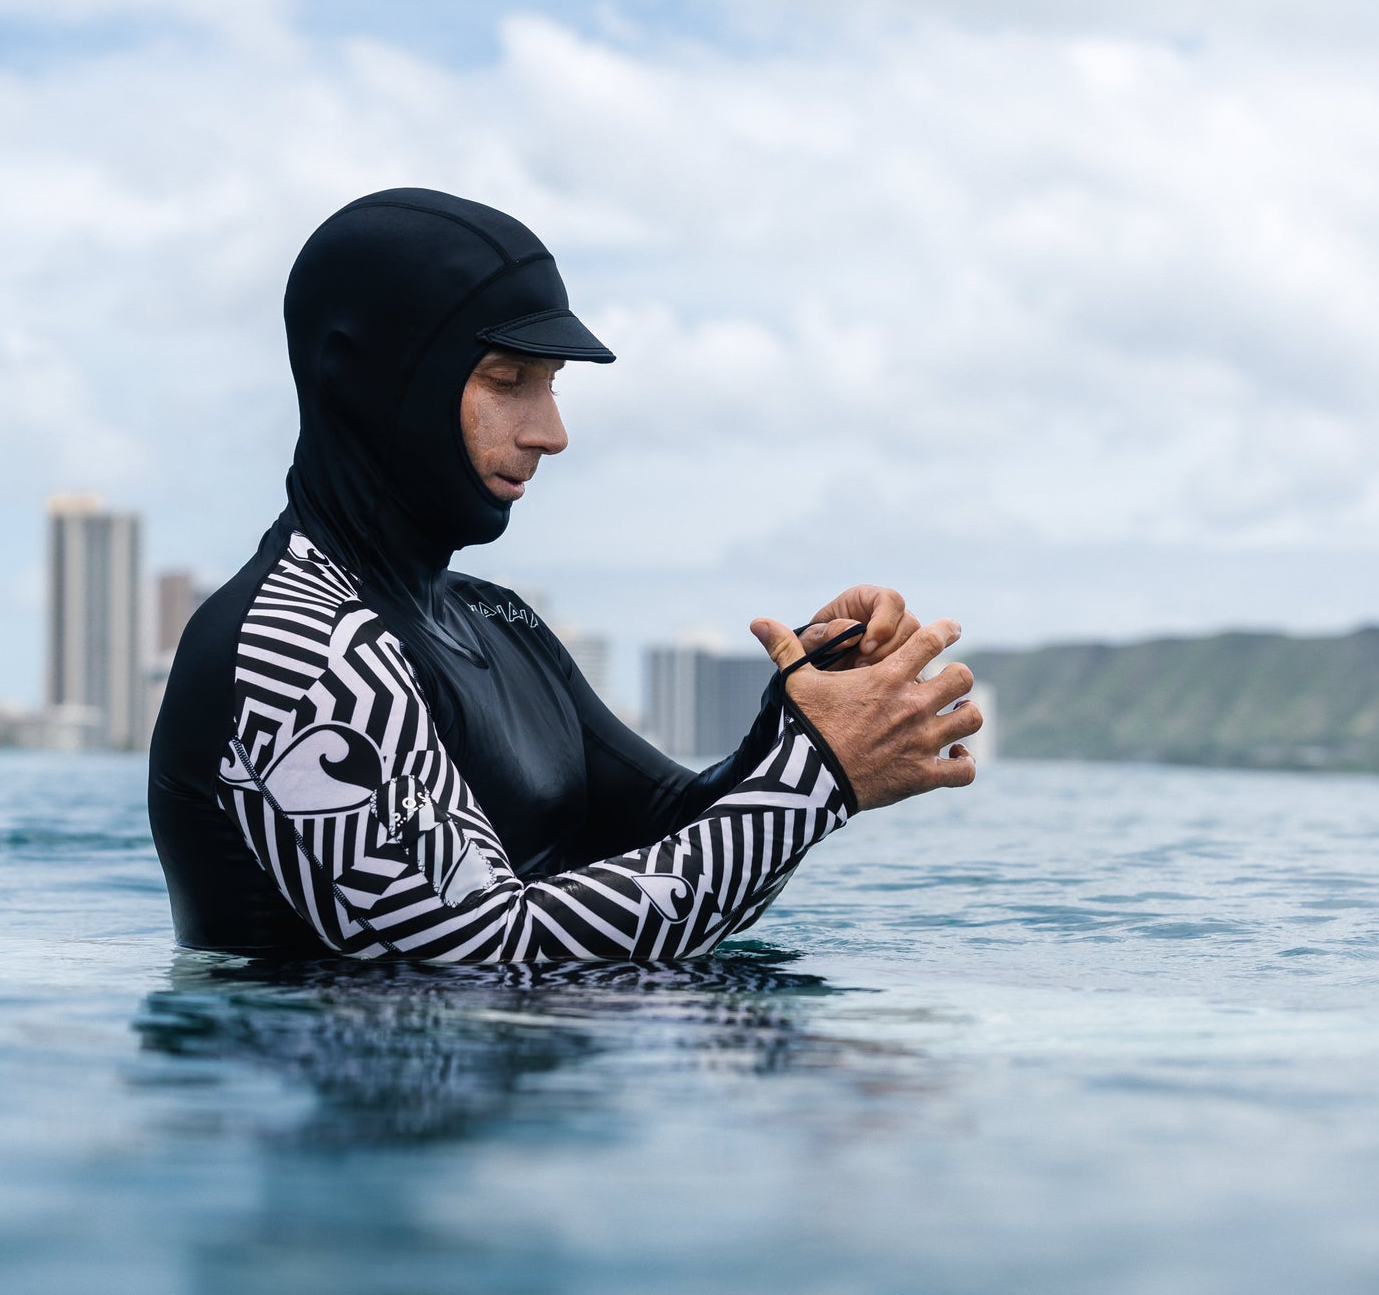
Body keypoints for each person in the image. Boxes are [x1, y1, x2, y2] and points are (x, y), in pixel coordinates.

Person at [148, 188, 982, 962]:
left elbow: (676, 830)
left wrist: (806, 710)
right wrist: (817, 778)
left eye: (550, 385)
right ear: (356, 376)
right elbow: (484, 951)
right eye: (508, 380)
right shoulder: (299, 647)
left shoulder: (494, 619)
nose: (551, 432)